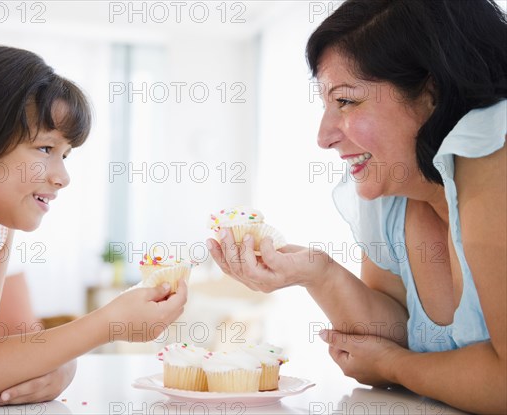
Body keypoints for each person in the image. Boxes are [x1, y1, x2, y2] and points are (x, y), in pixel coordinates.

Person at [207, 0, 506, 413]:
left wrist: (396, 365)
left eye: (346, 101)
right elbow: (387, 338)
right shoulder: (393, 188)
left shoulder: (494, 151)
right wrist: (318, 274)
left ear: (432, 89)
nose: (324, 135)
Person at [0, 45, 187, 407]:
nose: (63, 177)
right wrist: (106, 324)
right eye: (44, 149)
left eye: (65, 155)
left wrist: (63, 364)